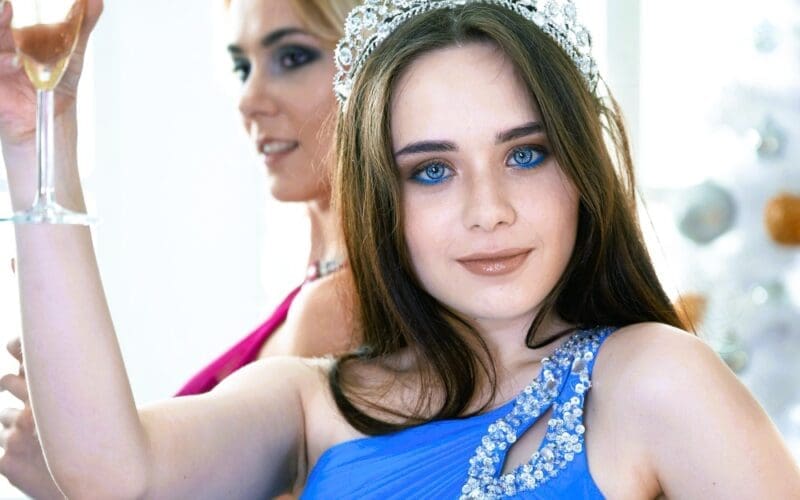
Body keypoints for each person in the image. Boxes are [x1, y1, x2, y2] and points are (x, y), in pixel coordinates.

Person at [4, 0, 800, 498]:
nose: (489, 211)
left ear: (581, 172)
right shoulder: (310, 401)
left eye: (526, 154)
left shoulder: (656, 379)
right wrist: (40, 139)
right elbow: (112, 474)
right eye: (431, 171)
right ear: (381, 198)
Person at [0, 0, 359, 497]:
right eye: (241, 66)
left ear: (375, 67)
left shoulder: (340, 306)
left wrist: (64, 481)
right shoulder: (316, 286)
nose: (249, 97)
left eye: (292, 58)